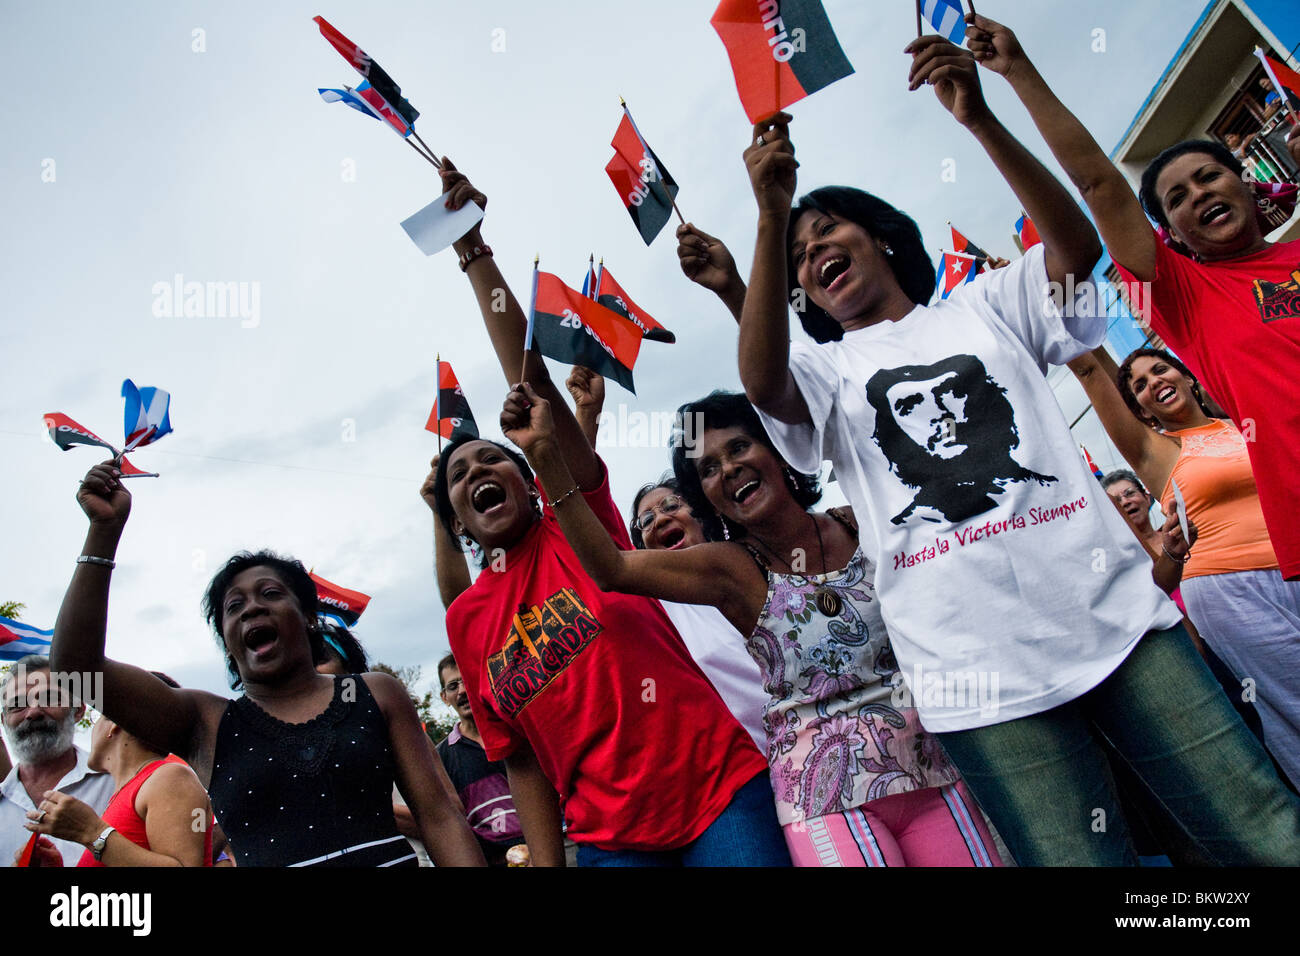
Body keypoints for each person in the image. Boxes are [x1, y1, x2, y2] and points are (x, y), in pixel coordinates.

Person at [735, 22, 1300, 863]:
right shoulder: (826, 371)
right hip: (975, 680)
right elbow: (763, 383)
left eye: (828, 231)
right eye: (798, 257)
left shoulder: (985, 305)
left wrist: (982, 119)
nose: (813, 250)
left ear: (882, 236)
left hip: (1119, 626)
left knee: (1263, 834)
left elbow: (1074, 246)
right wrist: (771, 210)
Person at [434, 160, 784, 866]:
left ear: (532, 479)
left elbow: (530, 382)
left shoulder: (576, 519)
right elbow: (520, 759)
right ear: (459, 524)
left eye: (492, 459)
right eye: (459, 478)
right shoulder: (467, 620)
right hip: (607, 841)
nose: (476, 472)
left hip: (718, 795)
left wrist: (473, 253)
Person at [502, 382, 1001, 867]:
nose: (729, 468)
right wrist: (546, 455)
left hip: (934, 771)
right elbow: (609, 568)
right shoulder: (728, 569)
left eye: (739, 446)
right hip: (825, 800)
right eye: (709, 470)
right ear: (708, 499)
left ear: (778, 450)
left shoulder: (858, 523)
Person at [961, 13, 1300, 585]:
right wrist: (1018, 71)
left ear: (1244, 181)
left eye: (1210, 178)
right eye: (1177, 198)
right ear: (1169, 232)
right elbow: (1097, 183)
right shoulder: (1182, 295)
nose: (1199, 195)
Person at [47, 462, 485, 867]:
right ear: (227, 641)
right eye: (234, 606)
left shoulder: (376, 692)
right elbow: (74, 667)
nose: (252, 608)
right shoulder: (205, 721)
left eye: (271, 594)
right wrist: (103, 531)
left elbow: (439, 815)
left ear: (309, 616)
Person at [1069, 343, 1300, 787]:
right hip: (1232, 590)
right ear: (1138, 407)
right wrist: (1065, 305)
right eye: (1139, 385)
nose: (1154, 382)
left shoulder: (1241, 423)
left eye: (1160, 370)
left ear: (1188, 377)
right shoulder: (1155, 451)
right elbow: (1090, 370)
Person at [24, 671, 213, 867]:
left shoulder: (170, 778)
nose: (94, 728)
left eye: (98, 715)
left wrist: (91, 832)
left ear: (115, 722)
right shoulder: (134, 788)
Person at [1, 656, 113, 867]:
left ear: (78, 710)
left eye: (49, 699)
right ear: (4, 720)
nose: (33, 712)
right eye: (17, 705)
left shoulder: (118, 784)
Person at [435, 654, 526, 867]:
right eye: (452, 686)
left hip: (551, 845)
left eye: (467, 680)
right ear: (444, 697)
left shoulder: (517, 731)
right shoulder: (441, 758)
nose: (462, 691)